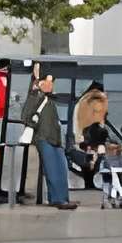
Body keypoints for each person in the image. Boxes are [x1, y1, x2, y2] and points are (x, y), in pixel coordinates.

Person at [25, 68, 74, 210]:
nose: (51, 84)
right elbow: (27, 116)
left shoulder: (50, 100)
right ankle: (58, 199)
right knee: (53, 169)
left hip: (55, 139)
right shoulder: (36, 98)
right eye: (48, 81)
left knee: (61, 169)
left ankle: (61, 198)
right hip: (44, 138)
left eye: (51, 82)